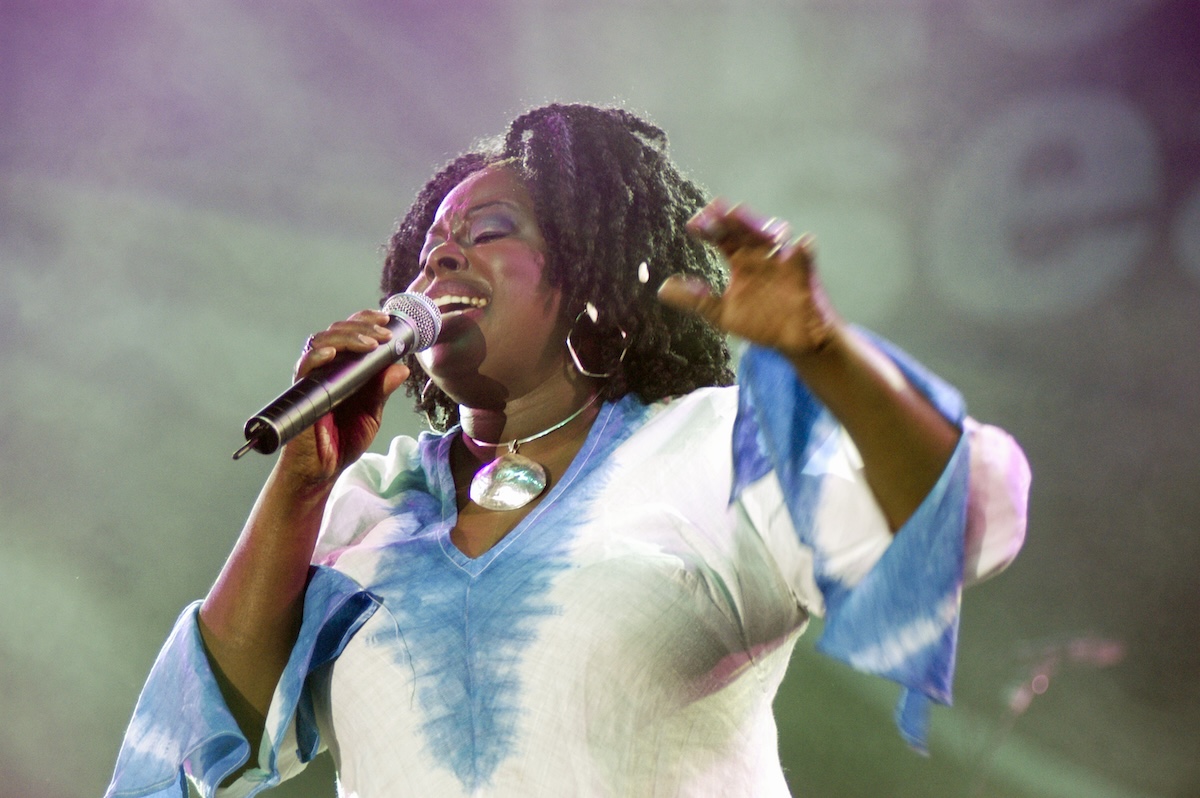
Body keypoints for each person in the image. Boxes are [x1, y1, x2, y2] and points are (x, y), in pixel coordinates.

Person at [106, 104, 1029, 797]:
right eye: (430, 251)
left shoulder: (704, 450)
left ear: (587, 277)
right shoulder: (371, 508)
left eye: (489, 234)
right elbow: (184, 747)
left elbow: (961, 520)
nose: (444, 262)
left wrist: (821, 348)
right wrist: (302, 482)